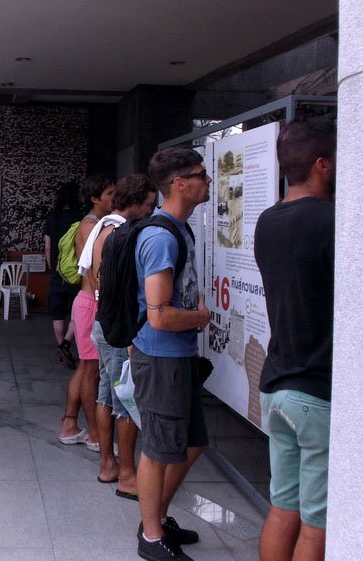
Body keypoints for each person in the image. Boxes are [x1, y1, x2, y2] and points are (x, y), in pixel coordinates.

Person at [255, 118, 336, 561]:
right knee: (317, 522)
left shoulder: (267, 221)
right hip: (316, 390)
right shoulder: (331, 221)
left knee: (283, 507)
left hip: (277, 382)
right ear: (322, 164)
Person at [133, 148, 212, 561]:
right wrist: (200, 317)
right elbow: (159, 315)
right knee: (158, 450)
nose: (209, 180)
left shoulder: (181, 230)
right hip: (161, 357)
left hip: (178, 356)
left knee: (193, 443)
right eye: (202, 174)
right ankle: (151, 537)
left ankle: (157, 518)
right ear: (180, 183)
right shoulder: (161, 238)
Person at [80, 174, 156, 493]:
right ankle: (125, 473)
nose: (151, 210)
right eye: (149, 204)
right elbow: (116, 285)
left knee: (107, 394)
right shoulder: (119, 232)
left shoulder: (102, 227)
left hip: (104, 322)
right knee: (124, 398)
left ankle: (108, 464)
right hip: (116, 326)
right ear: (134, 202)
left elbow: (95, 279)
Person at [57, 175, 114, 450]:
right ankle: (95, 434)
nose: (115, 198)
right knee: (91, 371)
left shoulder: (89, 224)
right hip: (91, 302)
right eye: (110, 193)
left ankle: (70, 425)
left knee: (85, 368)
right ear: (94, 198)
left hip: (85, 301)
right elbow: (96, 272)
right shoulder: (92, 227)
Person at [43, 181, 82, 369]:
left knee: (57, 313)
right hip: (76, 272)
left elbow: (47, 247)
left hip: (57, 272)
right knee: (77, 310)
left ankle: (61, 346)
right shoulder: (81, 218)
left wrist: (53, 269)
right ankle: (67, 343)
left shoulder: (52, 218)